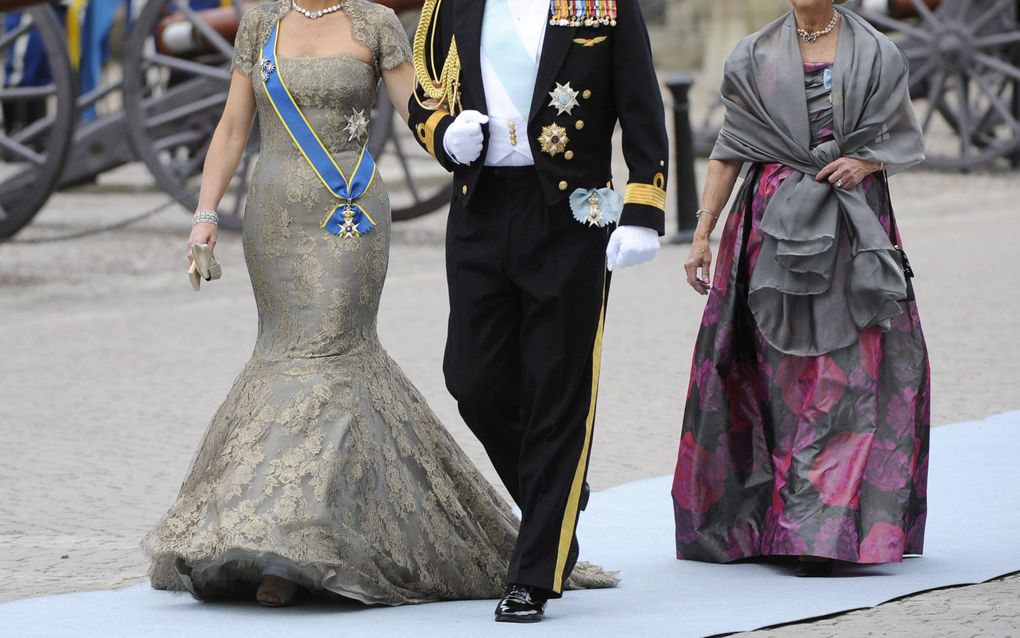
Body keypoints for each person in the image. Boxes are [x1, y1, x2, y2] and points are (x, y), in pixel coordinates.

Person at [143, 0, 613, 609]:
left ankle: (300, 547)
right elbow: (234, 126)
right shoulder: (261, 23)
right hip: (277, 217)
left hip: (349, 216)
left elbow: (421, 110)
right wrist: (205, 216)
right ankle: (269, 533)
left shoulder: (375, 23)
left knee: (333, 354)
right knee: (283, 353)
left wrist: (462, 139)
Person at [405, 0, 668, 622]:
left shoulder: (602, 4)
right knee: (472, 380)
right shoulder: (452, 5)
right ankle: (557, 505)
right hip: (480, 209)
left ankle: (536, 571)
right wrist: (443, 134)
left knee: (559, 388)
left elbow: (641, 103)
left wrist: (644, 209)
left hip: (572, 216)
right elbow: (425, 96)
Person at [671, 0, 930, 577]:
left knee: (848, 374)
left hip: (850, 230)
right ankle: (775, 523)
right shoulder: (755, 54)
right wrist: (702, 234)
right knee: (774, 373)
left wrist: (864, 162)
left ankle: (824, 531)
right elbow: (729, 149)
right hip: (768, 231)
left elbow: (898, 136)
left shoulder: (879, 53)